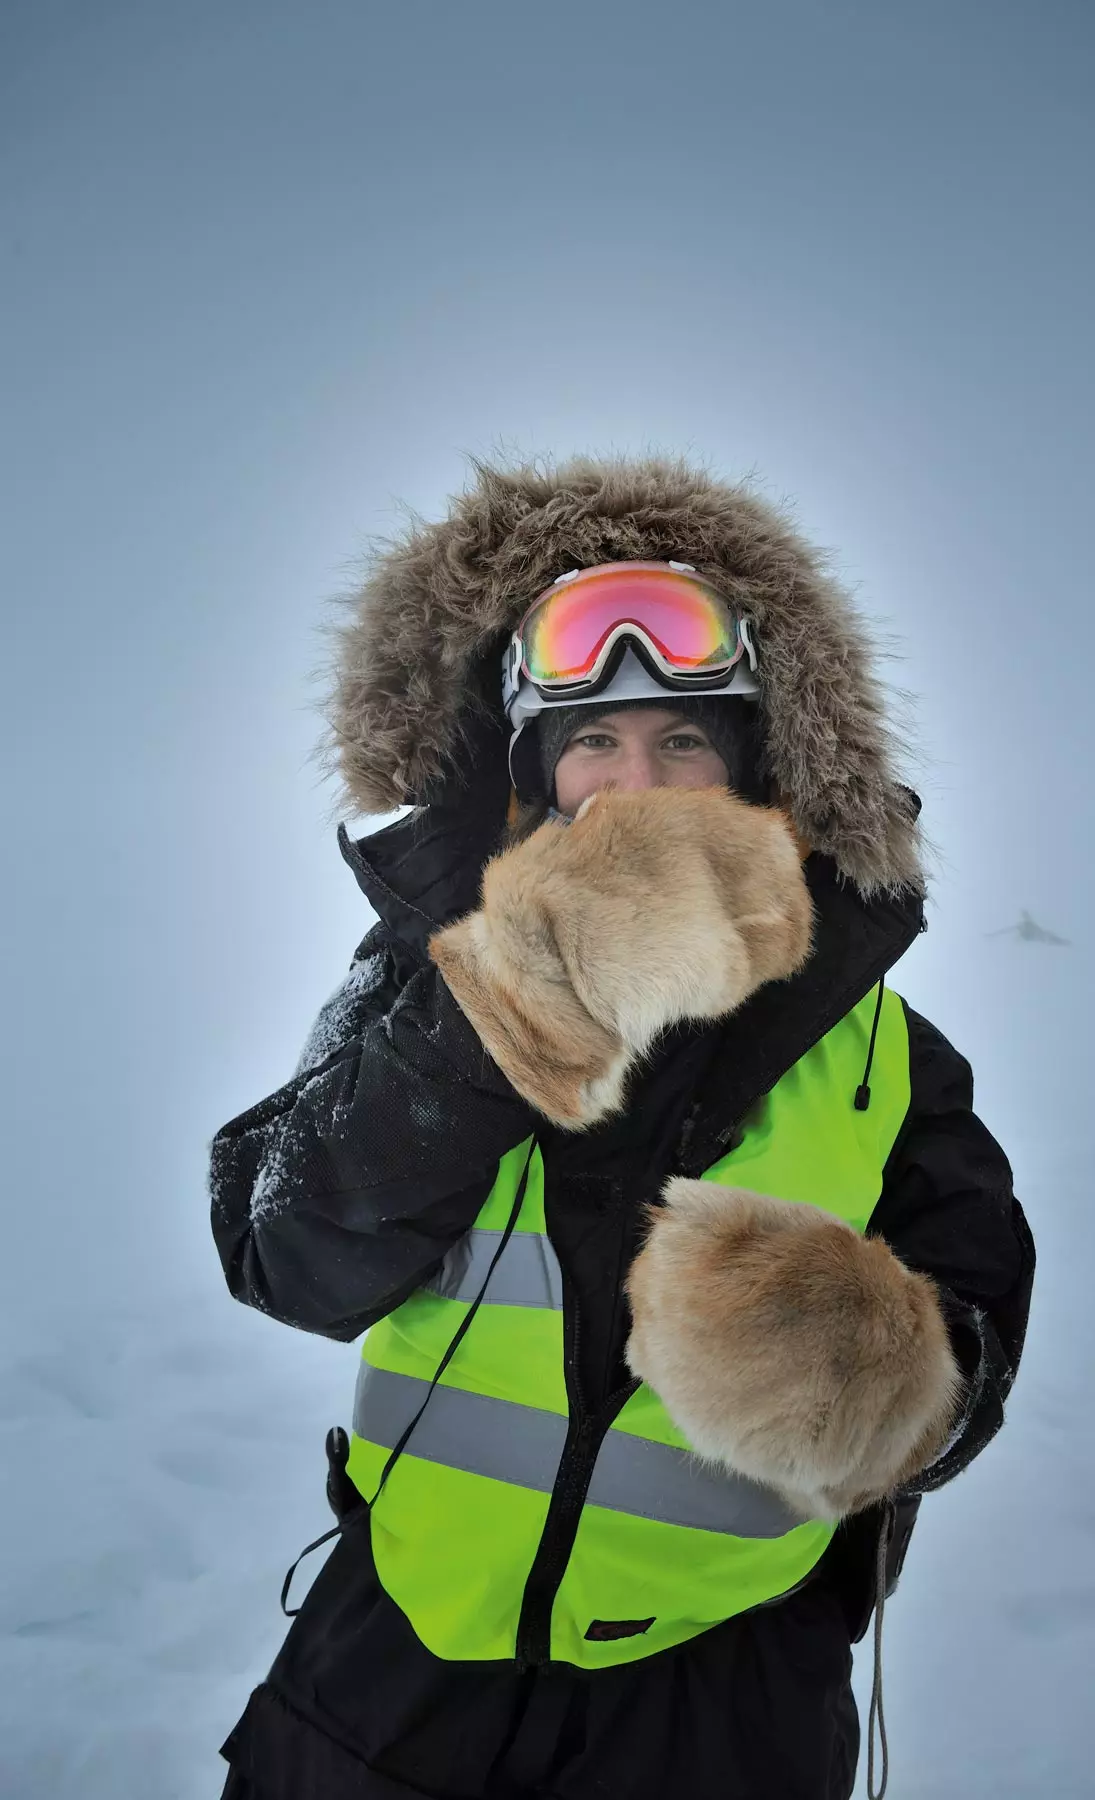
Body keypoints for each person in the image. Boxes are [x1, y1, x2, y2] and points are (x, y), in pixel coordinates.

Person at [210, 456, 1035, 1800]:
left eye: (684, 741)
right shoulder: (427, 981)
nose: (637, 782)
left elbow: (970, 1369)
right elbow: (284, 1250)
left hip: (720, 1708)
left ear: (758, 773)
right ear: (538, 775)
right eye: (595, 741)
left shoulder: (881, 1055)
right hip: (388, 1677)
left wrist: (858, 1363)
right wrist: (515, 1004)